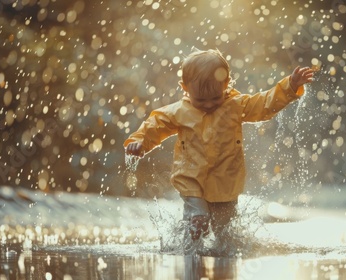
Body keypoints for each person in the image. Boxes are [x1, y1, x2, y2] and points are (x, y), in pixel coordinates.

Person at [124, 48, 314, 250]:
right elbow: (155, 125)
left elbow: (264, 105)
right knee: (198, 219)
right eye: (200, 100)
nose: (208, 105)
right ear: (185, 88)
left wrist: (290, 86)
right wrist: (138, 142)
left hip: (226, 180)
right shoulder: (178, 112)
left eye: (215, 98)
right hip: (191, 179)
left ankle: (221, 266)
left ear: (226, 83)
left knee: (226, 234)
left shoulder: (236, 105)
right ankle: (190, 258)